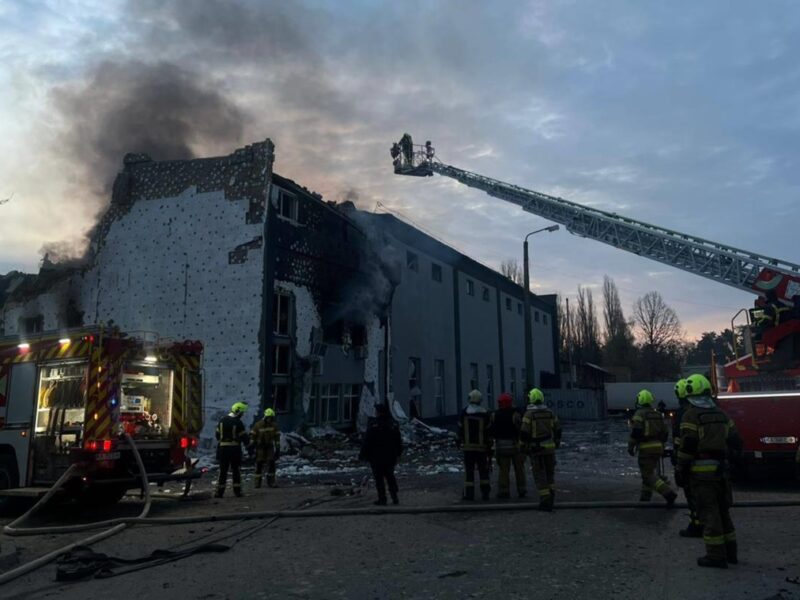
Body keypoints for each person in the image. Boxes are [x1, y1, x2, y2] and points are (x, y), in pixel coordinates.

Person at [676, 373, 743, 568]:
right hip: (721, 472)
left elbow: (688, 444)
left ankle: (715, 556)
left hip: (701, 474)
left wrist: (681, 468)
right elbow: (736, 441)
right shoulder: (722, 414)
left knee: (709, 513)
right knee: (723, 512)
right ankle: (731, 552)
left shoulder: (691, 415)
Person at [628, 389, 678, 506]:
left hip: (646, 448)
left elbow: (636, 432)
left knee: (647, 474)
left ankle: (668, 493)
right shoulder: (657, 414)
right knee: (649, 472)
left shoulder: (639, 414)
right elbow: (665, 432)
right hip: (658, 447)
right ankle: (645, 499)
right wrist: (661, 445)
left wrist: (631, 447)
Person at [520, 388, 561, 511]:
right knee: (550, 475)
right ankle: (551, 497)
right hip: (550, 449)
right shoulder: (550, 413)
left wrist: (523, 447)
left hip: (536, 450)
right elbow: (558, 428)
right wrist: (557, 442)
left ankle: (545, 501)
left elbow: (524, 433)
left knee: (539, 475)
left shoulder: (529, 414)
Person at [672, 378, 703, 537]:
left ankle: (697, 525)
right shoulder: (708, 410)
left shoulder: (683, 414)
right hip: (713, 461)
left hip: (690, 461)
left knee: (692, 494)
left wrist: (678, 463)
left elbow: (681, 440)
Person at [359, 403, 403, 505]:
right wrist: (399, 453)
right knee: (390, 476)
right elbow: (398, 441)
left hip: (376, 456)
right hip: (390, 456)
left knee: (379, 479)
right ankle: (394, 497)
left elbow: (367, 441)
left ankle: (382, 499)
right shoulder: (393, 424)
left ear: (378, 412)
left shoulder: (374, 425)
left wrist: (362, 454)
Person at [457, 389, 493, 501]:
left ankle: (469, 494)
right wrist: (490, 446)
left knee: (469, 472)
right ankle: (485, 493)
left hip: (468, 449)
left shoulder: (464, 413)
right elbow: (489, 432)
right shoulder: (485, 414)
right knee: (483, 472)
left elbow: (459, 429)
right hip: (482, 449)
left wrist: (458, 441)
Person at [490, 392, 526, 499]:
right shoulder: (516, 414)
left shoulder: (494, 415)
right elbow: (521, 429)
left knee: (503, 471)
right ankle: (522, 489)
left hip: (501, 447)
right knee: (519, 469)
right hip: (515, 446)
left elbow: (492, 431)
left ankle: (504, 491)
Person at [215, 402, 250, 498]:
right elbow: (244, 438)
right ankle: (237, 492)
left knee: (223, 471)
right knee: (236, 471)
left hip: (222, 449)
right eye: (242, 412)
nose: (242, 415)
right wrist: (250, 447)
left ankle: (219, 493)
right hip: (234, 449)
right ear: (237, 411)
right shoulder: (238, 422)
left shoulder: (222, 420)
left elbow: (217, 435)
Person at [251, 408, 281, 488]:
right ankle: (257, 483)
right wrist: (252, 448)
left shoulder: (274, 425)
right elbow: (253, 437)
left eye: (271, 417)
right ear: (265, 416)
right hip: (260, 448)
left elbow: (277, 438)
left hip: (269, 447)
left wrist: (278, 449)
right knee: (259, 465)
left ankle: (271, 482)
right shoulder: (258, 425)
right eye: (268, 417)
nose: (270, 419)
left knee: (271, 464)